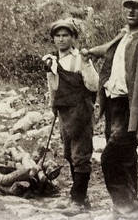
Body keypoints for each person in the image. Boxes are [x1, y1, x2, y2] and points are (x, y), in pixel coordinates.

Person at [83, 0, 138, 220]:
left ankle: (130, 212)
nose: (131, 11)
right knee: (127, 161)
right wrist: (91, 52)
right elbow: (110, 48)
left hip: (130, 111)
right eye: (128, 6)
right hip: (113, 106)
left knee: (109, 159)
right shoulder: (124, 35)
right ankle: (123, 212)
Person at [42, 19, 99, 212]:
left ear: (73, 38)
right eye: (57, 36)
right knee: (69, 154)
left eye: (65, 35)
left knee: (80, 156)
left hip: (81, 112)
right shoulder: (53, 61)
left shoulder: (80, 59)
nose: (61, 39)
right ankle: (81, 199)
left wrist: (86, 64)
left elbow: (93, 85)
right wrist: (53, 106)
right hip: (64, 112)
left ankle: (77, 201)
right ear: (53, 39)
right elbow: (53, 87)